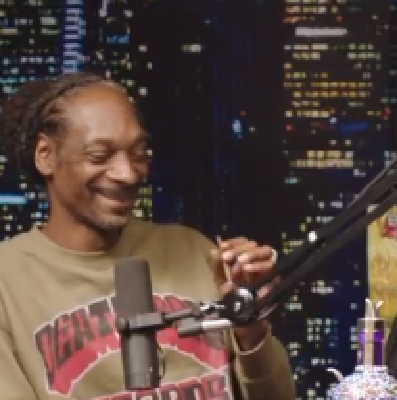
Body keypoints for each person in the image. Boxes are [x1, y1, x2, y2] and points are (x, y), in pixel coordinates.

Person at [0, 72, 294, 399]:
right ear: (45, 155)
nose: (127, 174)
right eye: (99, 156)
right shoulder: (7, 282)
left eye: (138, 153)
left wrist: (250, 329)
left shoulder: (192, 250)